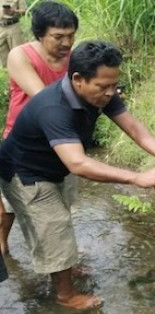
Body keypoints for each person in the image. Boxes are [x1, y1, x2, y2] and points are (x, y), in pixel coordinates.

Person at [0, 40, 155, 309]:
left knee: (60, 218)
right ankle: (65, 295)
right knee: (54, 227)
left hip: (55, 165)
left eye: (114, 85)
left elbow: (132, 126)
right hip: (25, 173)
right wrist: (137, 178)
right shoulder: (53, 107)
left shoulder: (100, 93)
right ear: (78, 79)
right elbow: (79, 164)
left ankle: (61, 267)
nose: (111, 92)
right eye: (104, 86)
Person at [0, 1, 78, 255]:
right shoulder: (20, 55)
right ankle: (2, 244)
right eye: (58, 37)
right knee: (10, 208)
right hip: (23, 143)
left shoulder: (72, 57)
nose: (66, 43)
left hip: (59, 143)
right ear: (40, 34)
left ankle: (60, 259)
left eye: (70, 36)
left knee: (59, 205)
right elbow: (44, 100)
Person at [0, 0, 26, 67]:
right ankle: (9, 73)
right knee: (3, 55)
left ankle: (21, 73)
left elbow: (24, 11)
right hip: (1, 28)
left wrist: (14, 11)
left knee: (18, 53)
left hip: (13, 27)